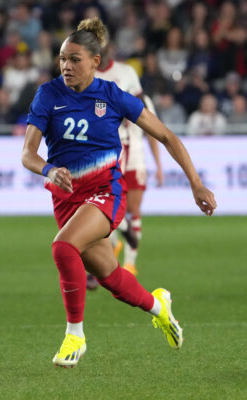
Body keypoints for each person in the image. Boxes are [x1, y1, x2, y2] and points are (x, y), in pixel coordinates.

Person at [21, 18, 216, 368]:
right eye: (63, 58)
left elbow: (167, 136)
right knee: (112, 279)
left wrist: (195, 182)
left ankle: (75, 336)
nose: (66, 66)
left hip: (105, 193)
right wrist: (49, 169)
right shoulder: (48, 94)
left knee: (63, 247)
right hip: (66, 200)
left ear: (95, 62)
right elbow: (27, 154)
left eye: (75, 59)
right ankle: (160, 308)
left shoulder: (112, 95)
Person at [94, 40, 164, 280]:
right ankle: (115, 241)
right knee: (111, 203)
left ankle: (130, 263)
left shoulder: (135, 88)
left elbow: (154, 133)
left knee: (133, 209)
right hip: (110, 152)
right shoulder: (93, 84)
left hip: (135, 155)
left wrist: (159, 165)